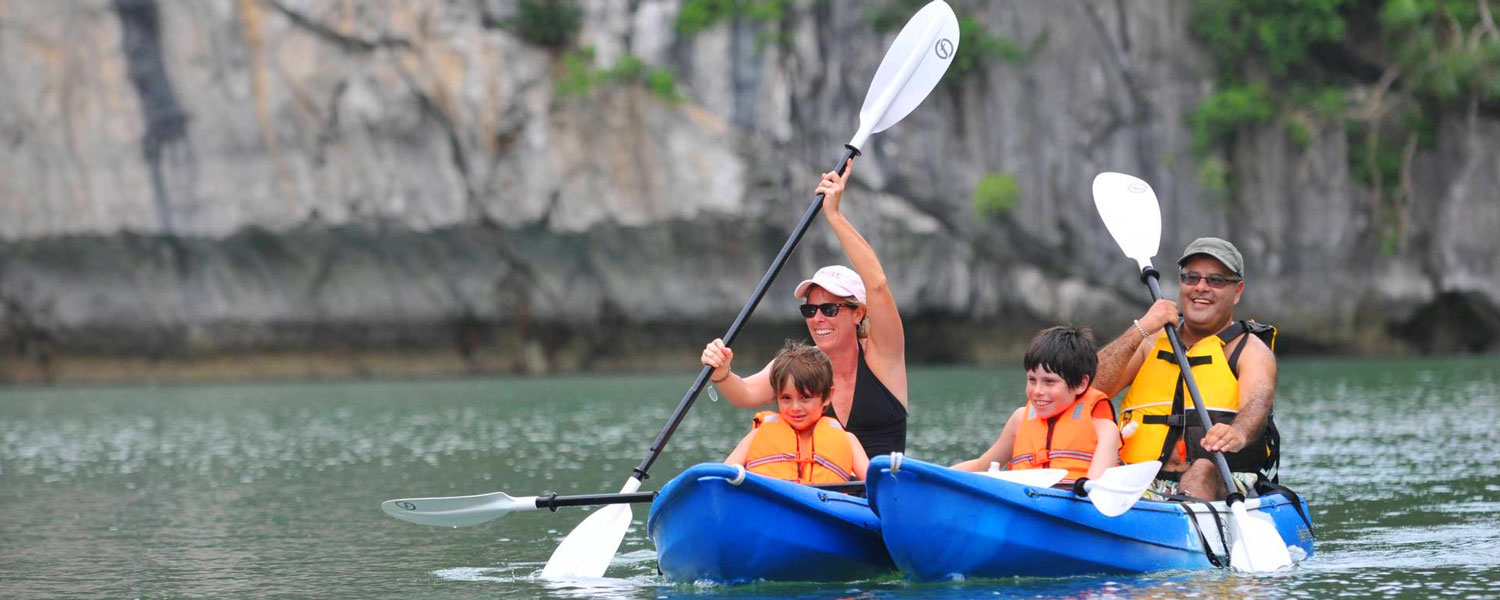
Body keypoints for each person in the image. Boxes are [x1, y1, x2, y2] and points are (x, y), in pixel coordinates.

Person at [701, 158, 909, 456]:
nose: (818, 318)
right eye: (810, 310)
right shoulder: (799, 366)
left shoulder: (883, 354)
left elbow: (876, 285)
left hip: (886, 497)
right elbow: (744, 393)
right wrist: (720, 371)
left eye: (830, 308)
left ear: (858, 313)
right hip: (823, 497)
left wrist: (834, 215)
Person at [1093, 237, 1280, 501]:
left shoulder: (1250, 350)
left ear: (1237, 292)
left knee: (1202, 469)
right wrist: (1139, 329)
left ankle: (1185, 529)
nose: (1200, 288)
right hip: (1139, 479)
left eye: (1215, 281)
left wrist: (1238, 432)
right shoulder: (1150, 340)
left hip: (1223, 482)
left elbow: (1258, 404)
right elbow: (1090, 387)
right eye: (1191, 278)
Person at [952, 326, 1121, 485]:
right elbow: (982, 465)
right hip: (1024, 502)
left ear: (1080, 384)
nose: (1038, 391)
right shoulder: (1019, 419)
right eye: (1032, 380)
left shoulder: (1104, 430)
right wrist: (932, 476)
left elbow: (1095, 488)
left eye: (1049, 382)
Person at [725, 342, 870, 483]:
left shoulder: (848, 441)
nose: (795, 407)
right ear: (777, 397)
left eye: (805, 397)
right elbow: (720, 477)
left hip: (822, 506)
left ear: (827, 397)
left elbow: (879, 485)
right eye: (786, 398)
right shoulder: (756, 436)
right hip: (769, 505)